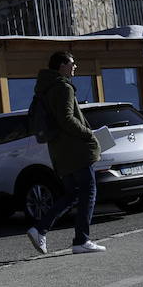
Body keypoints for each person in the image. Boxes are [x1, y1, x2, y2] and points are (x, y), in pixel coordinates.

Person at [25, 52, 105, 255]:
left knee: (72, 194)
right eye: (71, 63)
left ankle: (40, 229)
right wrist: (89, 133)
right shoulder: (62, 87)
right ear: (61, 66)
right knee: (88, 192)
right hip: (76, 150)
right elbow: (67, 119)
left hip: (60, 151)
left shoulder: (44, 88)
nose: (75, 67)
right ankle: (82, 240)